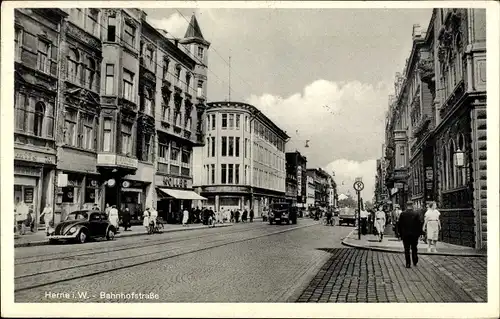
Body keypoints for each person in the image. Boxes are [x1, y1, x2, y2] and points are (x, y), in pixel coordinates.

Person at [398, 201, 423, 268]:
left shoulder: (402, 214)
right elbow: (419, 224)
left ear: (407, 206)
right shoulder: (416, 214)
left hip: (405, 234)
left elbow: (399, 225)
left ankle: (408, 263)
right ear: (412, 205)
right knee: (414, 248)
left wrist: (400, 234)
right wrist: (420, 233)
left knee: (406, 249)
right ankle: (415, 260)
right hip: (414, 235)